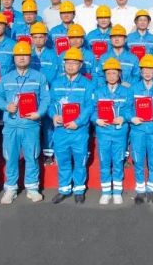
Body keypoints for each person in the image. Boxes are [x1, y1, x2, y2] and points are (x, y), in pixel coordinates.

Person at [0, 41, 50, 205]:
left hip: (30, 125)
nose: (22, 58)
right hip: (11, 125)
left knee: (32, 157)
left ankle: (32, 188)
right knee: (11, 157)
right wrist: (6, 106)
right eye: (18, 55)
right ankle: (11, 188)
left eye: (25, 55)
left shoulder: (39, 77)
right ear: (14, 58)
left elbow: (46, 98)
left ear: (30, 57)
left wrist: (39, 113)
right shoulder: (6, 78)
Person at [48, 48, 95, 204]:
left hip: (79, 131)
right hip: (60, 130)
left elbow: (90, 106)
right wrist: (54, 115)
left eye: (74, 63)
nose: (70, 65)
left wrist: (78, 122)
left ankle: (79, 189)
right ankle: (64, 189)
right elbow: (50, 104)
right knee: (63, 161)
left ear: (80, 65)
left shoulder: (87, 84)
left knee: (80, 161)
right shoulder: (56, 83)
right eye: (68, 62)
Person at [92, 58, 132, 205]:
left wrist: (123, 117)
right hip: (103, 132)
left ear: (119, 74)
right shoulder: (98, 92)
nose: (111, 76)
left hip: (119, 133)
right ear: (104, 75)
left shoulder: (126, 92)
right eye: (108, 73)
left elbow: (130, 109)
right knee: (104, 162)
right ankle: (106, 192)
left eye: (114, 73)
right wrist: (96, 119)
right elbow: (92, 110)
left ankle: (117, 192)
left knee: (118, 162)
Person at [129, 54, 153, 204]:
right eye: (145, 69)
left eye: (151, 70)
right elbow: (126, 108)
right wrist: (132, 117)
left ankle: (151, 190)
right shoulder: (133, 88)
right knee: (138, 160)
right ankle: (140, 190)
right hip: (138, 130)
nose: (148, 72)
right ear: (140, 71)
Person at [28, 22, 60, 164]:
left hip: (48, 94)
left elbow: (57, 75)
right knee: (31, 125)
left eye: (41, 37)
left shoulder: (53, 56)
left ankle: (48, 153)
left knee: (48, 124)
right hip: (30, 95)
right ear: (31, 38)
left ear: (46, 38)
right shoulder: (27, 54)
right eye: (35, 37)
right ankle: (31, 154)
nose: (38, 40)